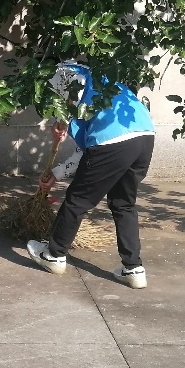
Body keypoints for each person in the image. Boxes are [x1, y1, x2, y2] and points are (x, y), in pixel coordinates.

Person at [26, 61, 154, 288]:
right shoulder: (101, 78)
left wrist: (63, 121)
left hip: (113, 140)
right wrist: (57, 172)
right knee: (124, 204)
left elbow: (94, 151)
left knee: (77, 200)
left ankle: (53, 255)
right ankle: (133, 269)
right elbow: (89, 154)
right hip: (144, 136)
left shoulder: (66, 75)